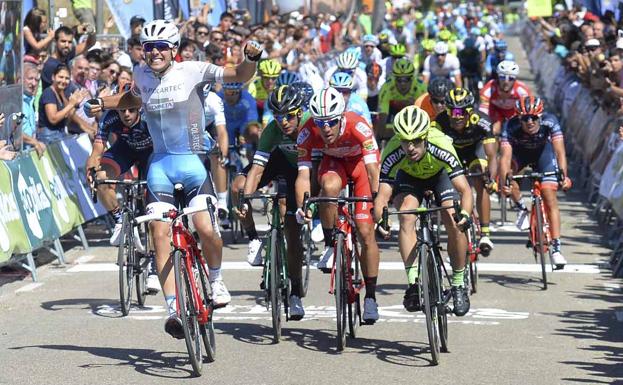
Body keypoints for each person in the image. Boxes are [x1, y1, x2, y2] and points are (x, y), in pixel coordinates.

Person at [84, 19, 262, 339]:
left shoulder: (193, 70)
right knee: (159, 231)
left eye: (160, 48)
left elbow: (238, 75)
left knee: (206, 229)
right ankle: (174, 309)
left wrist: (250, 59)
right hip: (160, 166)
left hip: (192, 163)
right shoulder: (140, 74)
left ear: (174, 50)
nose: (154, 54)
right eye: (148, 48)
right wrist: (102, 103)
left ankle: (217, 278)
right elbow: (132, 98)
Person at [374, 106, 473, 316]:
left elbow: (465, 190)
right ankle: (413, 284)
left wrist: (464, 215)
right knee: (406, 214)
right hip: (409, 179)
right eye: (405, 141)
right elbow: (382, 196)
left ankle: (458, 285)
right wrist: (381, 221)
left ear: (425, 137)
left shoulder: (441, 144)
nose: (410, 147)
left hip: (439, 177)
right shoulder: (393, 150)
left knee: (452, 217)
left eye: (416, 141)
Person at [295, 87, 381, 324]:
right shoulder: (307, 131)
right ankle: (332, 244)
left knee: (365, 230)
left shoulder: (358, 124)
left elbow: (373, 169)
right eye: (321, 123)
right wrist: (304, 204)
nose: (325, 129)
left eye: (331, 122)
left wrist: (377, 201)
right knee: (328, 187)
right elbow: (303, 176)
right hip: (334, 164)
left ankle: (371, 296)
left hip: (360, 166)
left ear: (341, 117)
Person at [232, 86, 308, 319]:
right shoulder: (273, 130)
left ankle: (295, 292)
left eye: (288, 115)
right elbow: (257, 169)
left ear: (299, 112)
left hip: (304, 168)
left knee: (292, 232)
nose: (283, 121)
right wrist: (246, 200)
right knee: (238, 186)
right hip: (279, 162)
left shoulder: (309, 125)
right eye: (277, 116)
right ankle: (254, 239)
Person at [499, 96, 572, 269]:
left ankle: (556, 248)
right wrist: (505, 182)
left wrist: (564, 176)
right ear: (519, 118)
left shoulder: (550, 121)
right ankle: (521, 208)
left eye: (534, 118)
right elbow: (505, 158)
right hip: (520, 155)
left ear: (540, 116)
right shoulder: (510, 126)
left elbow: (560, 152)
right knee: (508, 175)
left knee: (549, 195)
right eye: (525, 118)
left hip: (543, 155)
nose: (529, 122)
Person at [433, 88, 497, 255]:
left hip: (474, 152)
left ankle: (485, 233)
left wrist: (492, 179)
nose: (456, 115)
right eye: (452, 110)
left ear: (470, 111)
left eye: (461, 111)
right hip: (451, 153)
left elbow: (491, 155)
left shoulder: (482, 121)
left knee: (480, 177)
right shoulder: (440, 121)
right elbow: (432, 152)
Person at [376, 58, 427, 142]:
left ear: (412, 78)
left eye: (407, 79)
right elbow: (382, 122)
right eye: (399, 80)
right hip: (393, 111)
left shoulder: (421, 88)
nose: (403, 84)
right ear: (394, 78)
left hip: (414, 111)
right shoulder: (386, 88)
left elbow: (426, 116)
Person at [38, 64, 89, 144]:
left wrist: (75, 105)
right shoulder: (49, 93)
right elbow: (53, 119)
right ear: (53, 77)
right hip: (48, 137)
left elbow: (68, 118)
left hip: (59, 134)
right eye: (61, 77)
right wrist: (71, 104)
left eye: (67, 78)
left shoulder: (61, 94)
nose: (63, 81)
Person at [479, 60, 532, 136]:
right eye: (502, 77)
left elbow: (528, 111)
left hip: (514, 113)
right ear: (497, 76)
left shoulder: (522, 90)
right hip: (495, 112)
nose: (506, 82)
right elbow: (483, 112)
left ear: (515, 79)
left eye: (511, 78)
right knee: (492, 131)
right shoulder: (489, 88)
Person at [22, 62, 46, 155]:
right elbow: (15, 132)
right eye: (30, 79)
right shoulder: (16, 103)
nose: (34, 83)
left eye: (36, 80)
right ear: (20, 79)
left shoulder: (30, 101)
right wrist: (34, 142)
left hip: (27, 153)